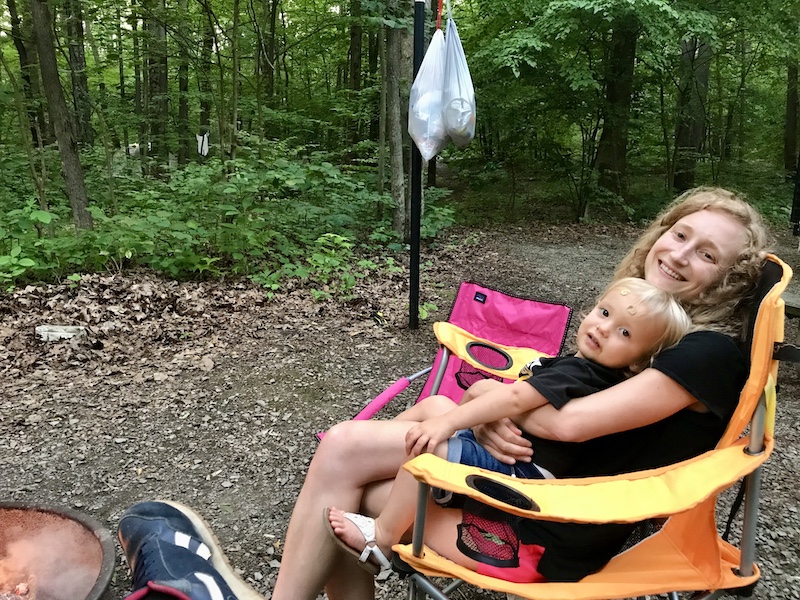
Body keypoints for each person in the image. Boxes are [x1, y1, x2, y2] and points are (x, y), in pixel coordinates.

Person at [270, 187, 770, 600]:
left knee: (342, 457)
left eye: (707, 254)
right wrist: (483, 407)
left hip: (543, 526)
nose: (680, 254)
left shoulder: (707, 353)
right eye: (680, 234)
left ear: (728, 281)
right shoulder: (654, 335)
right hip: (532, 486)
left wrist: (485, 403)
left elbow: (565, 423)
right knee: (423, 419)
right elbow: (554, 409)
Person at [324, 277, 692, 573]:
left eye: (625, 333)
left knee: (428, 449)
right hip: (513, 461)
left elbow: (515, 399)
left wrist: (449, 423)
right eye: (605, 312)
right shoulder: (588, 372)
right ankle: (371, 451)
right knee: (435, 403)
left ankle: (384, 541)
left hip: (519, 477)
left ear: (638, 363)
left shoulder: (583, 372)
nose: (605, 328)